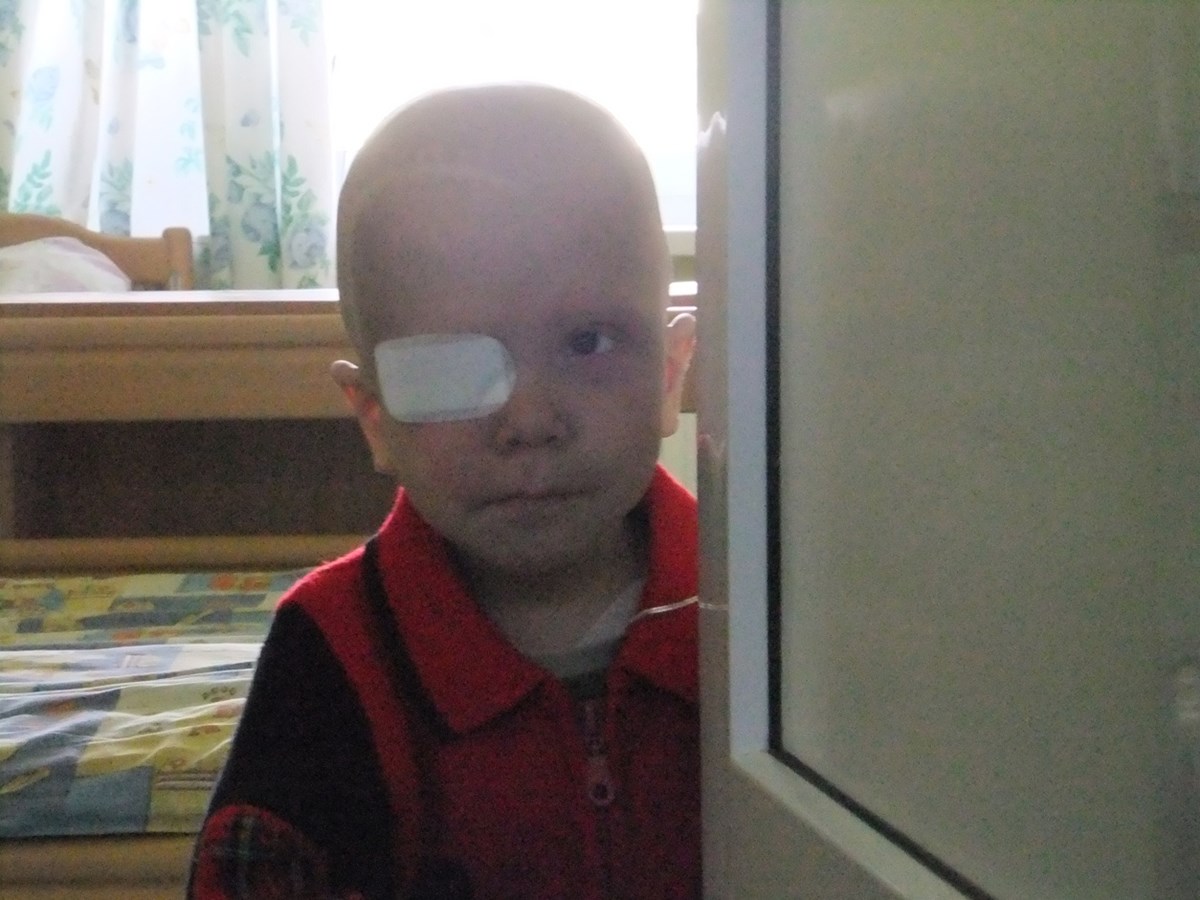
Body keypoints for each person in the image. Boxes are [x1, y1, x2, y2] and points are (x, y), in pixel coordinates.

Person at [187, 83, 699, 900]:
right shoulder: (328, 654)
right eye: (452, 366)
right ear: (375, 417)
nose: (529, 420)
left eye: (588, 342)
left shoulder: (757, 609)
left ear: (671, 373)